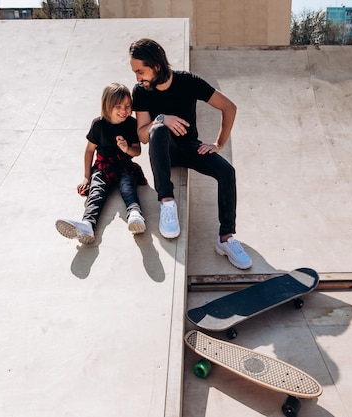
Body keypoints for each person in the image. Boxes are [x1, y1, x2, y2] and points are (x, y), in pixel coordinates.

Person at [128, 38, 252, 269]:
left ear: (156, 66)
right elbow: (144, 136)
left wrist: (219, 144)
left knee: (227, 171)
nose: (137, 77)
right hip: (162, 151)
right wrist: (161, 119)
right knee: (159, 131)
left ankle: (225, 238)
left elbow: (229, 107)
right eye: (135, 72)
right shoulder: (141, 91)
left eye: (140, 71)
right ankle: (167, 203)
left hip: (189, 148)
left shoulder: (188, 81)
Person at [56, 83, 147, 244]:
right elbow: (89, 150)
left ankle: (135, 214)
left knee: (128, 188)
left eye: (127, 106)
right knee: (96, 193)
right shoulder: (98, 125)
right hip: (103, 167)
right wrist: (86, 177)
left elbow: (137, 151)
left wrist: (126, 148)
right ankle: (87, 225)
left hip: (124, 165)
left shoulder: (131, 124)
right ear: (107, 106)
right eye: (118, 106)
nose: (124, 110)